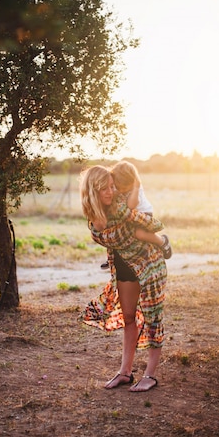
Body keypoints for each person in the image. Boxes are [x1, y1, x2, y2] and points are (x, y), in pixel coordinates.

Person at [80, 165, 168, 392]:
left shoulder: (121, 206)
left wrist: (156, 236)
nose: (111, 192)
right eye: (105, 189)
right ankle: (125, 373)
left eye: (112, 186)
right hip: (124, 267)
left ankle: (150, 375)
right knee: (129, 317)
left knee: (152, 318)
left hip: (149, 264)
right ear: (92, 191)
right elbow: (103, 234)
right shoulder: (95, 218)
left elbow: (149, 224)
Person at [100, 160, 171, 268]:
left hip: (143, 213)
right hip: (128, 214)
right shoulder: (118, 183)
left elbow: (132, 205)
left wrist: (135, 188)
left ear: (133, 182)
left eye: (125, 188)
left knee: (139, 234)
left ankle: (162, 241)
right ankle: (112, 258)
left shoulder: (136, 187)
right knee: (115, 232)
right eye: (119, 187)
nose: (122, 190)